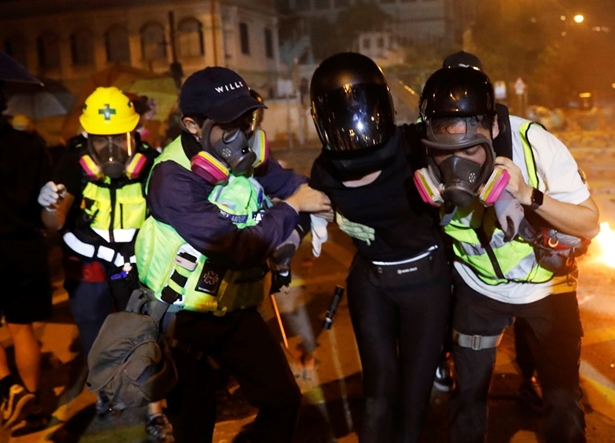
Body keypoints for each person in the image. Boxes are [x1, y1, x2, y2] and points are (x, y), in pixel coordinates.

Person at [133, 66, 331, 443]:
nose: (244, 132)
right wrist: (290, 210)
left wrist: (297, 229)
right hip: (182, 320)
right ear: (193, 126)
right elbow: (235, 247)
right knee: (195, 424)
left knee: (282, 399)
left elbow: (295, 185)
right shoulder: (172, 178)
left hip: (233, 310)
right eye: (229, 123)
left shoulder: (244, 152)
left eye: (248, 118)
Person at [418, 66, 599, 443]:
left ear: (494, 129)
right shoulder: (420, 155)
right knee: (467, 399)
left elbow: (589, 224)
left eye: (471, 149)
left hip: (548, 289)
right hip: (478, 289)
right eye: (445, 152)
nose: (458, 166)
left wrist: (528, 195)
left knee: (564, 404)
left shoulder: (534, 143)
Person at [308, 52, 452, 443]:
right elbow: (309, 203)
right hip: (371, 280)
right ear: (322, 120)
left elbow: (470, 142)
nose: (354, 123)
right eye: (341, 112)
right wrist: (304, 226)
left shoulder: (414, 144)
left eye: (362, 107)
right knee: (377, 393)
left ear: (382, 106)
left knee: (414, 394)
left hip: (427, 281)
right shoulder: (324, 168)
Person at [36, 87, 172, 441]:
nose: (110, 148)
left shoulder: (151, 162)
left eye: (118, 138)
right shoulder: (73, 162)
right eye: (100, 139)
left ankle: (156, 410)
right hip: (90, 265)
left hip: (138, 264)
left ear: (133, 133)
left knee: (148, 334)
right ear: (86, 137)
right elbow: (55, 222)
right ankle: (106, 392)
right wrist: (52, 204)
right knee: (96, 337)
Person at [435, 51, 543, 409]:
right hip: (473, 268)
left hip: (524, 265)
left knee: (531, 323)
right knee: (445, 301)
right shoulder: (433, 136)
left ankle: (529, 376)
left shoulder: (517, 134)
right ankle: (445, 361)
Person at [0, 88, 52, 436]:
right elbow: (46, 198)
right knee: (22, 328)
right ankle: (31, 403)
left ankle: (9, 391)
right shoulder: (31, 144)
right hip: (25, 245)